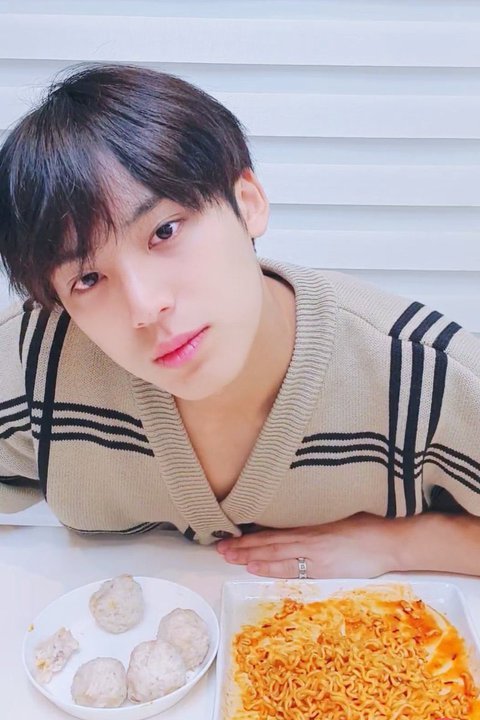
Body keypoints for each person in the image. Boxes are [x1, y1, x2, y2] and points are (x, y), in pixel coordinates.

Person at [1, 65, 480, 581]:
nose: (145, 307)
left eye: (165, 231)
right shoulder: (35, 362)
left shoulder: (423, 373)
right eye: (89, 278)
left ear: (248, 203)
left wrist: (402, 545)